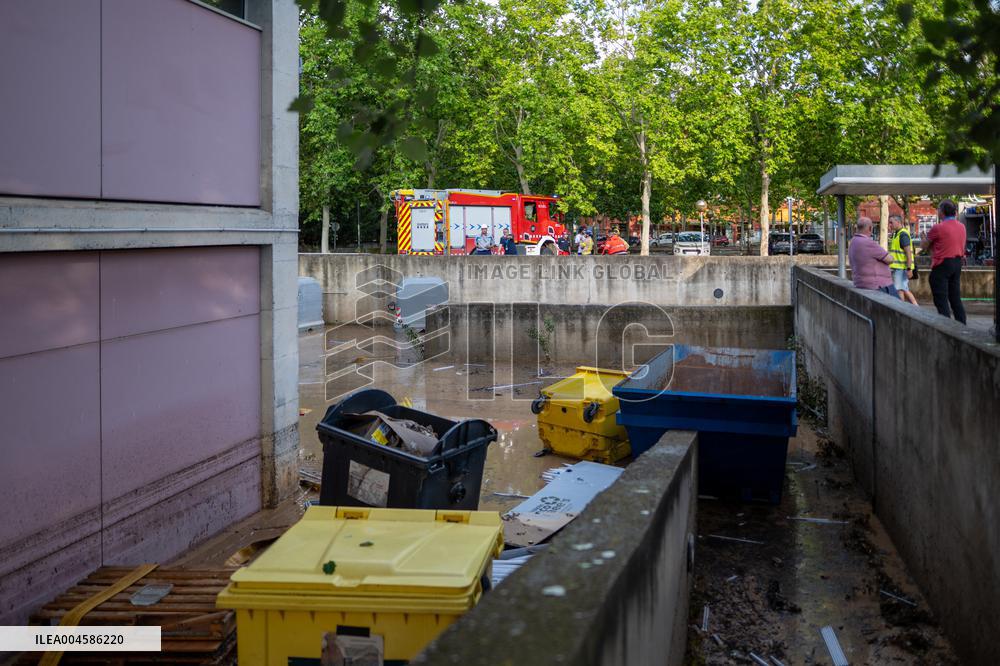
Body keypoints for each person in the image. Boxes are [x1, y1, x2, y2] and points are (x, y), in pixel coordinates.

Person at [922, 199, 967, 324]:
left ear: (941, 212)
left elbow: (925, 246)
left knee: (941, 300)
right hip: (957, 263)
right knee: (955, 298)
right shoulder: (962, 226)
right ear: (955, 212)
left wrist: (923, 238)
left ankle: (946, 327)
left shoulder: (938, 228)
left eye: (938, 210)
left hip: (942, 265)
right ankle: (962, 326)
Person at [848, 217, 898, 297]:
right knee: (898, 306)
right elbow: (889, 259)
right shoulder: (869, 243)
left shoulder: (853, 242)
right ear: (870, 228)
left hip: (860, 283)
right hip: (879, 285)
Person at [888, 214, 918, 305]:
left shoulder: (903, 235)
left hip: (901, 268)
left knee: (900, 290)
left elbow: (908, 253)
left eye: (891, 222)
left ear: (898, 222)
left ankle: (903, 309)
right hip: (899, 268)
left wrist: (909, 269)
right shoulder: (896, 234)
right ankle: (915, 308)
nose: (889, 225)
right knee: (903, 289)